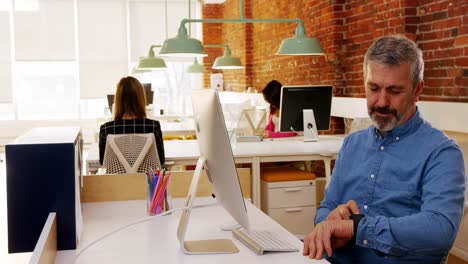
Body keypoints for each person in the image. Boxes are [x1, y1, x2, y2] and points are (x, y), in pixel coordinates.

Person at [303, 35, 466, 263]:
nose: (381, 102)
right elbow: (327, 207)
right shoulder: (352, 143)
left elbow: (440, 230)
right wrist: (328, 220)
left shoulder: (442, 152)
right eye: (374, 88)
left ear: (417, 89)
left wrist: (357, 228)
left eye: (394, 91)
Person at [98, 76, 165, 167]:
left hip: (117, 180)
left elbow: (104, 162)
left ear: (118, 99)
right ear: (141, 98)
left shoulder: (106, 129)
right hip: (145, 180)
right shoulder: (153, 126)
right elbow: (160, 160)